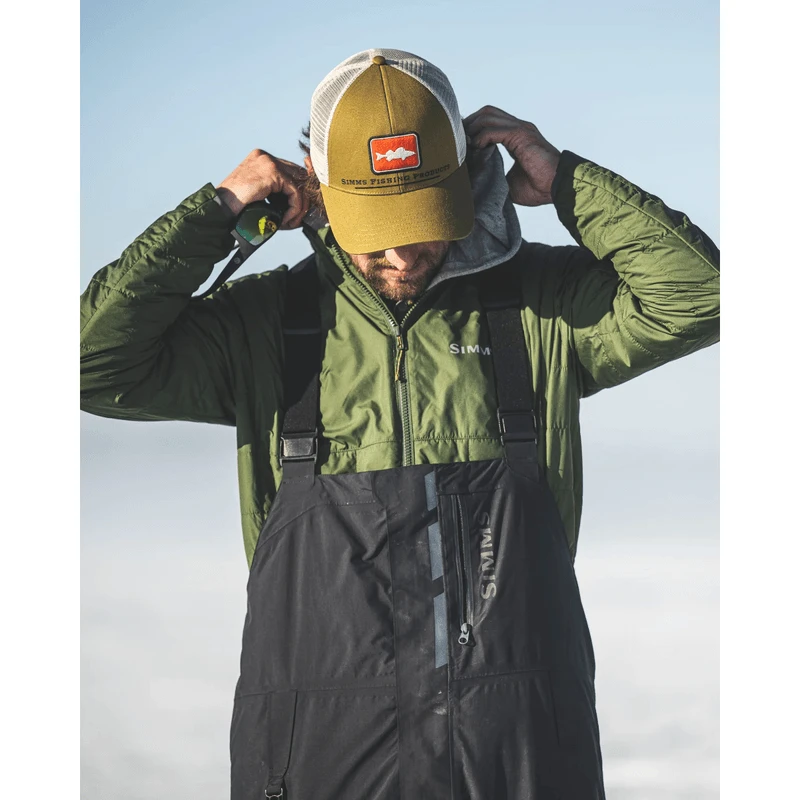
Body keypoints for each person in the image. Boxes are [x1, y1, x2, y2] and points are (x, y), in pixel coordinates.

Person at [80, 48, 720, 800]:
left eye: (420, 220)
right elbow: (89, 364)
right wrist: (216, 213)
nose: (398, 252)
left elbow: (703, 295)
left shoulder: (541, 310)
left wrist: (566, 182)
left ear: (464, 181)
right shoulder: (265, 328)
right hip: (316, 764)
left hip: (520, 759)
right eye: (374, 226)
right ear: (316, 186)